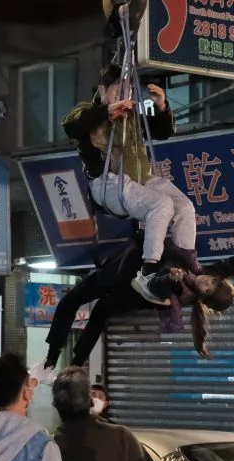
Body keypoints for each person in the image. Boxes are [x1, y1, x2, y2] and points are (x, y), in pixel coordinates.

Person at [41, 233, 234, 369]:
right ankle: (54, 356)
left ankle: (75, 364)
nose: (206, 282)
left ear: (203, 299)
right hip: (124, 272)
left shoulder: (183, 293)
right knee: (71, 301)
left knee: (99, 312)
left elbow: (159, 287)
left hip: (131, 292)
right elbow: (231, 265)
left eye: (207, 289)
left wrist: (171, 277)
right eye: (213, 281)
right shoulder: (206, 271)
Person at [62, 67, 186, 300]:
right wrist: (107, 112)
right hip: (106, 183)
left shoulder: (133, 116)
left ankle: (186, 263)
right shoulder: (88, 111)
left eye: (127, 91)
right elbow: (72, 126)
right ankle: (148, 272)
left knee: (183, 207)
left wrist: (161, 105)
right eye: (117, 90)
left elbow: (163, 131)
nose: (123, 95)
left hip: (140, 181)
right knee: (161, 204)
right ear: (102, 91)